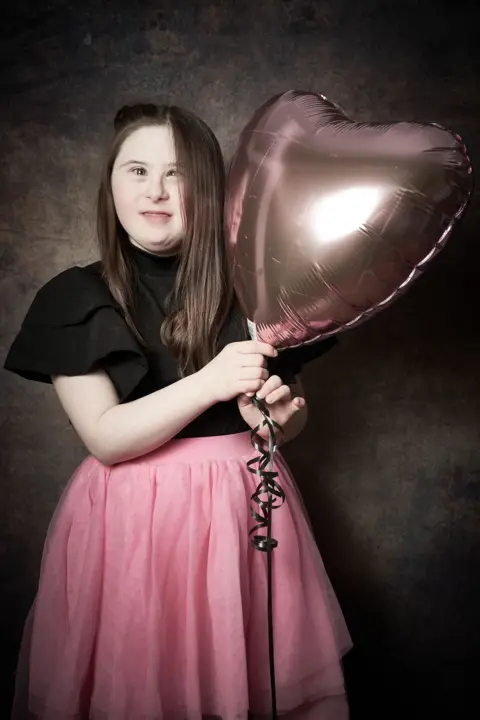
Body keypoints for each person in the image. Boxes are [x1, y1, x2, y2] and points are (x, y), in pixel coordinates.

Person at [4, 103, 352, 719]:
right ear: (110, 182)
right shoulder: (74, 295)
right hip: (130, 528)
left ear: (209, 189)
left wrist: (273, 414)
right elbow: (107, 438)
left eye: (177, 175)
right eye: (137, 170)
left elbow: (289, 422)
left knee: (245, 686)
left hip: (245, 514)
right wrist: (213, 381)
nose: (156, 191)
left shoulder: (256, 286)